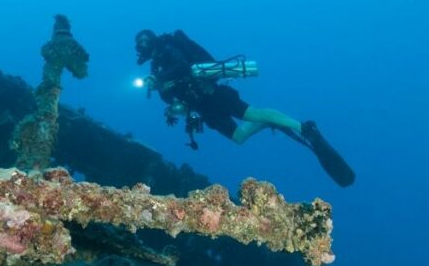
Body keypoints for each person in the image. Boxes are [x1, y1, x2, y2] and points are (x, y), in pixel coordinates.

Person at [134, 29, 355, 187]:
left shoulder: (168, 50)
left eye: (144, 40)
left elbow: (184, 67)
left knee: (253, 113)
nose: (141, 45)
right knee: (239, 137)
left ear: (152, 40)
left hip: (214, 95)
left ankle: (303, 127)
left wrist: (160, 77)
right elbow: (173, 98)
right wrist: (172, 107)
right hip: (204, 109)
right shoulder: (156, 68)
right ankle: (270, 121)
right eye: (138, 42)